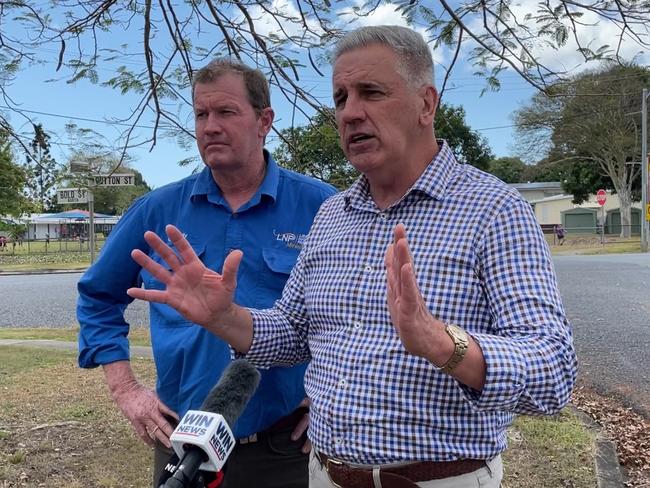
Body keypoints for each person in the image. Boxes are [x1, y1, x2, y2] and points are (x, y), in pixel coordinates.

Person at [127, 26, 577, 488]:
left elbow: (553, 370)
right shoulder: (331, 216)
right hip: (324, 475)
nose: (351, 113)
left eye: (371, 93)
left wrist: (444, 344)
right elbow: (293, 333)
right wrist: (225, 317)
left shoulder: (495, 210)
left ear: (427, 104)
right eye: (341, 98)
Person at [77, 58, 336, 488]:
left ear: (264, 120)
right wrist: (126, 390)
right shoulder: (157, 210)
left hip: (282, 449)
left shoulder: (322, 207)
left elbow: (363, 311)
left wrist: (329, 397)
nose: (210, 126)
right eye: (201, 114)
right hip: (181, 442)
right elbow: (98, 296)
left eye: (226, 112)